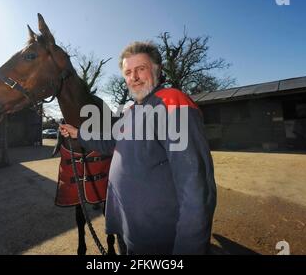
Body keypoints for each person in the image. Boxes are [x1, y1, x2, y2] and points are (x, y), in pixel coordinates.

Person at [60, 41, 217, 255]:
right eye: (128, 72)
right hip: (130, 228)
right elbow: (111, 142)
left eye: (140, 69)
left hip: (159, 237)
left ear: (157, 70)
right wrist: (78, 133)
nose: (133, 77)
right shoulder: (132, 111)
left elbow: (196, 184)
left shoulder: (171, 101)